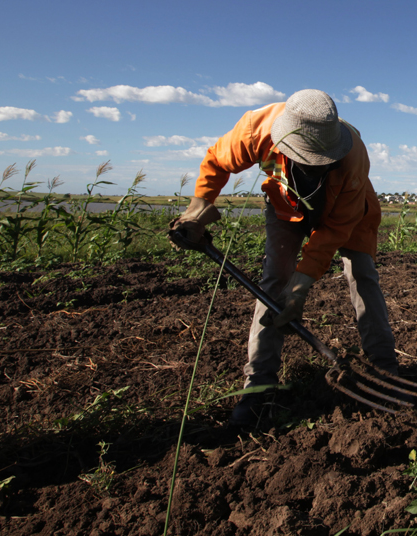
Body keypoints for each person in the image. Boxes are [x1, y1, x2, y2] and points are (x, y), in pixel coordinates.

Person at [170, 89, 398, 427]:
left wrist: (301, 286)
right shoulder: (256, 128)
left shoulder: (353, 159)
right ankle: (259, 385)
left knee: (361, 274)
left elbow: (334, 232)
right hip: (285, 205)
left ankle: (383, 368)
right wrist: (199, 207)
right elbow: (218, 161)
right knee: (275, 278)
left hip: (349, 212)